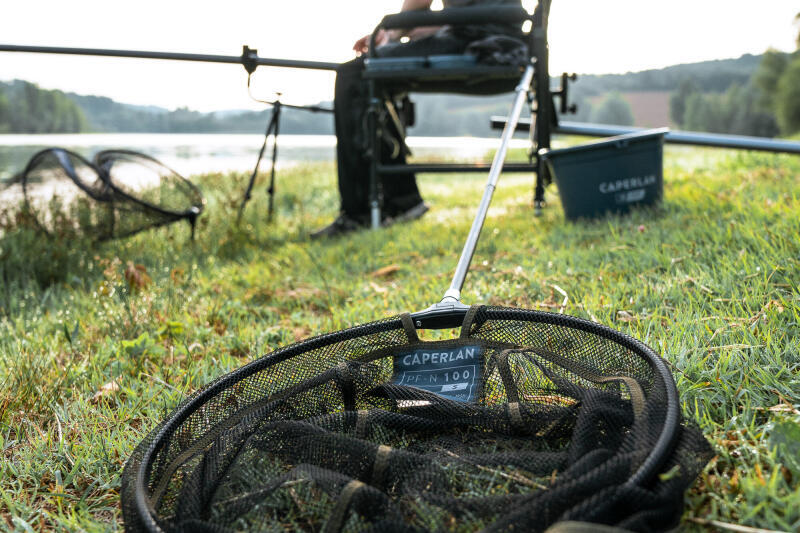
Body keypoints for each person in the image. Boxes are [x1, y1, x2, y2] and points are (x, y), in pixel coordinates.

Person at [312, 0, 524, 239]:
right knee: (374, 71)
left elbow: (422, 3)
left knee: (353, 75)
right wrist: (420, 30)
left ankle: (359, 214)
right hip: (510, 39)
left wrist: (392, 32)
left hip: (475, 43)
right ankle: (403, 198)